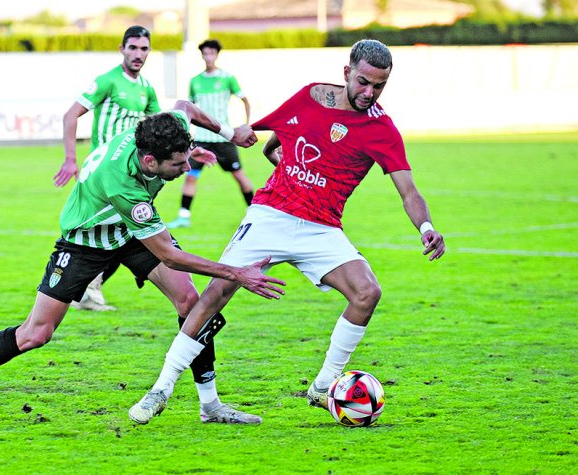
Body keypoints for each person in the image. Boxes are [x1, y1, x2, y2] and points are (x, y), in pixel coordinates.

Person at [128, 39, 446, 425]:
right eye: (363, 82)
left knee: (367, 292)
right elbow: (273, 136)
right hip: (270, 215)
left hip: (322, 228)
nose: (369, 93)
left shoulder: (382, 129)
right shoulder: (311, 96)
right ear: (347, 73)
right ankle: (161, 389)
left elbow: (408, 191)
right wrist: (267, 151)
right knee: (215, 294)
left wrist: (426, 227)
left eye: (379, 86)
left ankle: (323, 385)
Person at [0, 100, 286, 427]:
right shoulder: (124, 186)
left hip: (128, 234)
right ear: (150, 161)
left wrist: (227, 133)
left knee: (191, 303)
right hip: (85, 243)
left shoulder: (159, 133)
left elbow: (185, 107)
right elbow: (169, 256)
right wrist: (237, 273)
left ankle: (210, 405)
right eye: (179, 163)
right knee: (35, 334)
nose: (186, 167)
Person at [54, 25, 161, 311]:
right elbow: (71, 115)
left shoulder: (146, 88)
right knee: (122, 230)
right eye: (133, 48)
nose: (138, 54)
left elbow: (159, 129)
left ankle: (87, 290)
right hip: (103, 175)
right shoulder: (107, 81)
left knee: (123, 231)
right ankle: (80, 290)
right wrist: (70, 158)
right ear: (122, 49)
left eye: (144, 49)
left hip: (129, 175)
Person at [167, 39, 253, 229]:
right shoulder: (195, 81)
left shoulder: (228, 78)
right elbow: (188, 109)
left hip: (224, 138)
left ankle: (254, 212)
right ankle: (183, 216)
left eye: (211, 53)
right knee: (190, 175)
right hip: (201, 139)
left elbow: (245, 100)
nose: (208, 57)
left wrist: (246, 125)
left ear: (217, 55)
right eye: (205, 54)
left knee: (239, 175)